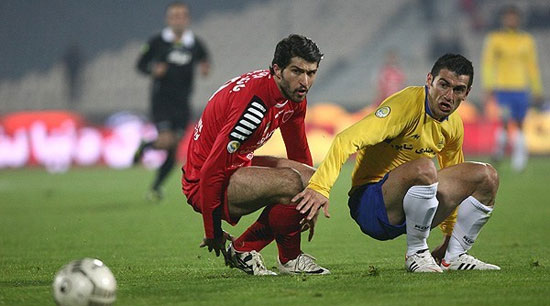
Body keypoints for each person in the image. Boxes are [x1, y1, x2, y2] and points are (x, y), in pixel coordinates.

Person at [294, 54, 500, 273]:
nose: (448, 96)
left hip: (418, 202)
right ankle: (417, 254)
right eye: (443, 85)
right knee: (425, 167)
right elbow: (346, 139)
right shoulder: (404, 106)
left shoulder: (454, 124)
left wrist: (449, 234)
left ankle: (454, 255)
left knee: (487, 176)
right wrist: (320, 187)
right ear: (429, 80)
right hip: (371, 204)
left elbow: (453, 175)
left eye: (458, 89)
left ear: (466, 94)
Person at [183, 34, 329, 276]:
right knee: (291, 182)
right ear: (277, 70)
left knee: (313, 179)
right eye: (297, 71)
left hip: (237, 166)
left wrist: (307, 202)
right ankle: (283, 257)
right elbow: (211, 169)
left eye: (311, 73)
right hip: (204, 183)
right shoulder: (254, 108)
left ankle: (254, 251)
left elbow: (299, 151)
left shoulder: (293, 96)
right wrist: (213, 232)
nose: (304, 81)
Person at [134, 2, 210, 200]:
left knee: (173, 150)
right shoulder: (158, 41)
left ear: (187, 19)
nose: (178, 19)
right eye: (174, 16)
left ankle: (156, 186)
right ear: (168, 19)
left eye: (182, 16)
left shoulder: (194, 43)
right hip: (162, 102)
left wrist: (204, 66)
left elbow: (204, 58)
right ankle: (147, 146)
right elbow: (141, 64)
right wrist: (153, 69)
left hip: (182, 104)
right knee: (167, 141)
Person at [481, 5, 543, 172]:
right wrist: (488, 86)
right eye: (508, 17)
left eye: (514, 17)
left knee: (521, 123)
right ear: (503, 19)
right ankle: (499, 151)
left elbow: (532, 66)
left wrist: (537, 89)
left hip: (521, 89)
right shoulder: (495, 39)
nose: (511, 20)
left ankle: (519, 158)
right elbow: (488, 64)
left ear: (518, 19)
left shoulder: (526, 40)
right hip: (503, 89)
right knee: (505, 122)